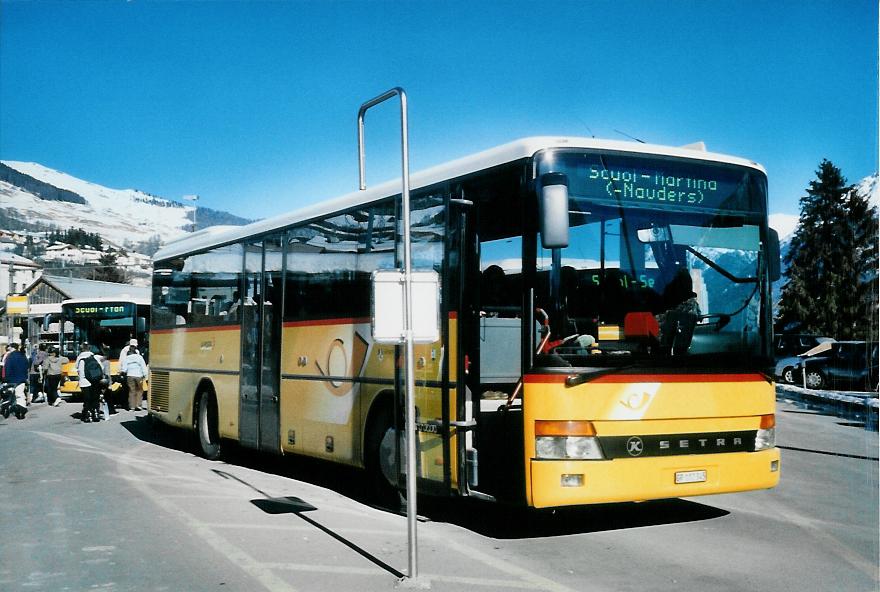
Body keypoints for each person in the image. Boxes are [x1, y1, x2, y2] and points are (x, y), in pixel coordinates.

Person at [75, 342, 100, 423]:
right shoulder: (95, 357)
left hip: (84, 382)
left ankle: (88, 415)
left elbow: (77, 369)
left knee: (87, 399)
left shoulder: (80, 358)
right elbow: (101, 368)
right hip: (95, 381)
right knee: (95, 398)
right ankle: (96, 413)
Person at [3, 343, 29, 418]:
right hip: (22, 378)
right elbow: (27, 365)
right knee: (20, 395)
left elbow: (7, 368)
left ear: (12, 348)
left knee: (10, 395)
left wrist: (5, 378)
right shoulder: (22, 355)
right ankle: (21, 411)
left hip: (12, 378)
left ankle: (11, 408)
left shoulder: (10, 356)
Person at [122, 346, 148, 411]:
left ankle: (132, 406)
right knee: (139, 390)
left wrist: (122, 373)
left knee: (131, 391)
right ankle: (138, 405)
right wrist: (145, 375)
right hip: (139, 375)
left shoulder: (126, 358)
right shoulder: (139, 357)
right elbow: (143, 366)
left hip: (130, 376)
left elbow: (124, 369)